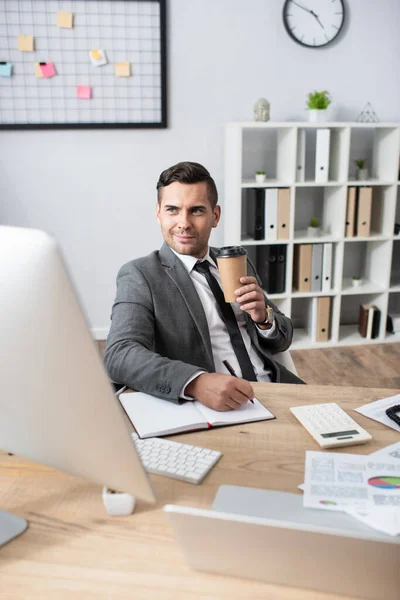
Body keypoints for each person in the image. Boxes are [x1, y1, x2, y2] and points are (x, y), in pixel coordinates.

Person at [104, 161, 304, 412]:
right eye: (172, 210)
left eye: (196, 210)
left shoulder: (236, 262)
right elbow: (119, 354)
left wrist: (264, 318)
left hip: (276, 390)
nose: (184, 222)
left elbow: (281, 341)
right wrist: (196, 383)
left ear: (215, 216)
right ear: (158, 214)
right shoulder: (140, 274)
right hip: (215, 407)